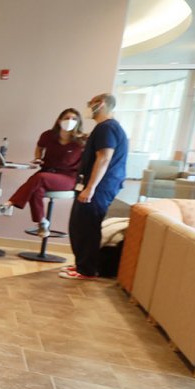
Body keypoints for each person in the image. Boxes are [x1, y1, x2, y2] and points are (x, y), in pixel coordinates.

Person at [63, 93, 128, 280]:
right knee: (79, 224)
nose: (88, 107)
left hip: (99, 187)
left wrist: (90, 188)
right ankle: (81, 264)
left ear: (100, 105)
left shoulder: (106, 128)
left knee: (87, 226)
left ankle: (87, 269)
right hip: (96, 185)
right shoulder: (106, 128)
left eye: (90, 103)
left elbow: (104, 157)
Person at [0, 109, 87, 237]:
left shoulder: (82, 140)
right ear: (59, 120)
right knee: (36, 189)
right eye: (67, 118)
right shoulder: (48, 135)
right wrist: (38, 157)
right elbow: (39, 147)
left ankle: (8, 204)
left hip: (68, 177)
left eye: (74, 119)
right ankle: (42, 222)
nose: (70, 121)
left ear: (79, 122)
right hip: (47, 172)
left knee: (39, 178)